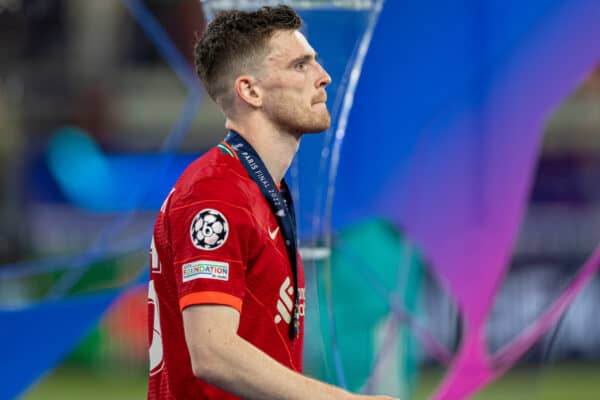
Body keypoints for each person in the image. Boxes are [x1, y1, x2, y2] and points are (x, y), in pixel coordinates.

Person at [147, 5, 399, 400]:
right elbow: (213, 353)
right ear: (250, 91)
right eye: (301, 65)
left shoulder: (262, 192)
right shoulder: (215, 194)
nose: (324, 77)